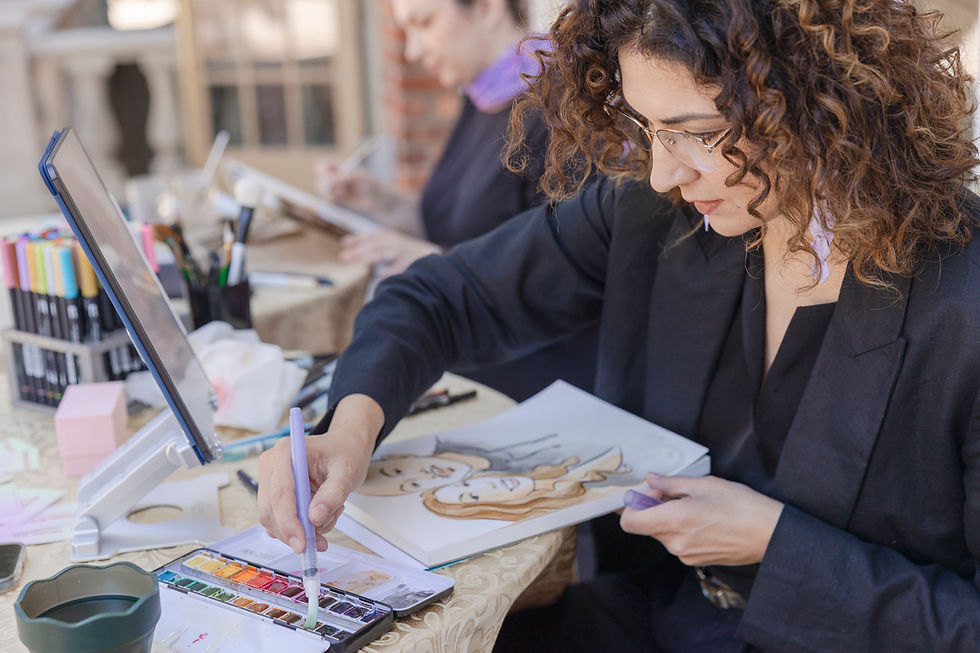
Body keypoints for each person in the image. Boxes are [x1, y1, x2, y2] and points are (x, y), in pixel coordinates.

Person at [259, 0, 980, 650]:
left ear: (817, 101)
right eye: (649, 129)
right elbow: (438, 299)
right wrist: (349, 428)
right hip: (656, 614)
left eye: (698, 134)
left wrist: (774, 544)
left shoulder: (961, 302)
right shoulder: (654, 216)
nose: (665, 173)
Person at [319, 0, 597, 401]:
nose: (413, 50)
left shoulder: (560, 110)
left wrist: (435, 263)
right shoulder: (484, 94)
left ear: (486, 8)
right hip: (467, 357)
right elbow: (454, 224)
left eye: (424, 23)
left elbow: (567, 279)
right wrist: (383, 202)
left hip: (538, 386)